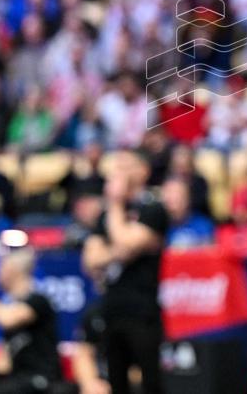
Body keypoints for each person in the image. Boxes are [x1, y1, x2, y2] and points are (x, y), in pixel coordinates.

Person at [82, 150, 167, 394]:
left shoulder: (153, 208)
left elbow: (127, 242)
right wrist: (118, 252)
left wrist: (116, 204)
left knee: (151, 380)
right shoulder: (105, 216)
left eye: (127, 165)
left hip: (142, 309)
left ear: (143, 171)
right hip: (112, 308)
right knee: (116, 380)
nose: (120, 171)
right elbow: (91, 260)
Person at [0, 249, 61, 394]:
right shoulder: (10, 307)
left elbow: (7, 319)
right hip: (16, 378)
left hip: (39, 378)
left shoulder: (38, 301)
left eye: (1, 268)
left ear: (12, 271)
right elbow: (1, 365)